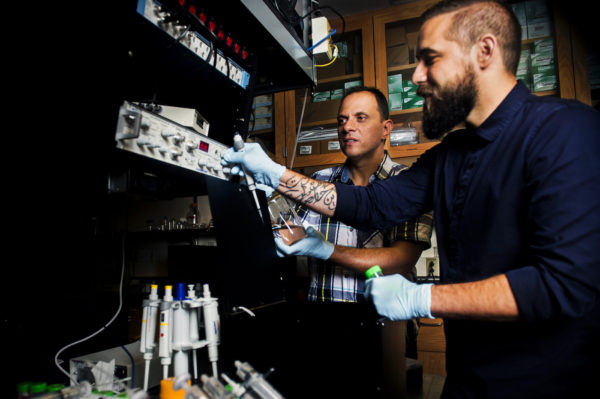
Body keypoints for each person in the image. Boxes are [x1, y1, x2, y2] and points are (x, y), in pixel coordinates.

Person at [222, 0, 600, 397]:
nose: (417, 76)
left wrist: (422, 297)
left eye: (430, 59)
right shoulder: (450, 155)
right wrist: (276, 175)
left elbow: (564, 283)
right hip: (469, 381)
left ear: (484, 51)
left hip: (547, 383)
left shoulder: (567, 130)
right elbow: (371, 205)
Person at [274, 86, 433, 398]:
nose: (347, 126)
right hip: (324, 329)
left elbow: (400, 260)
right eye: (342, 120)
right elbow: (284, 229)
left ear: (386, 128)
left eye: (361, 118)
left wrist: (324, 249)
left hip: (387, 329)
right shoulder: (319, 183)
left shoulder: (410, 185)